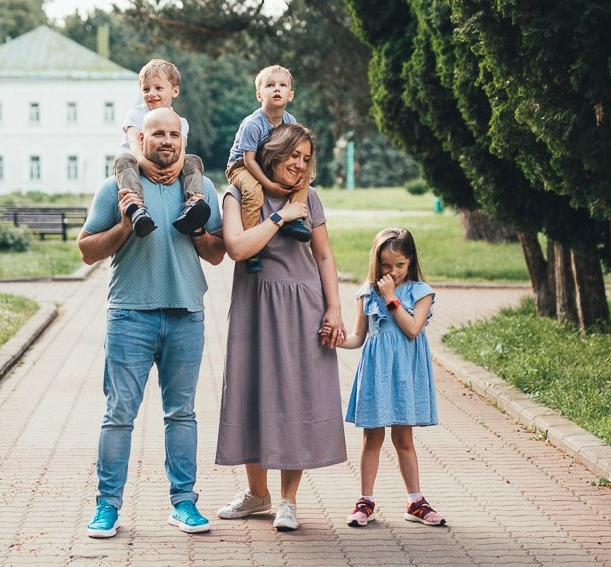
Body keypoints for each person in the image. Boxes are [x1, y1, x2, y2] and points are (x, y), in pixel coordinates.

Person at [79, 107, 225, 538]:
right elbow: (87, 250)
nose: (166, 141)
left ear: (182, 140)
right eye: (157, 133)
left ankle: (184, 504)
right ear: (140, 141)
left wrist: (198, 232)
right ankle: (107, 507)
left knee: (182, 413)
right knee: (118, 413)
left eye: (173, 134)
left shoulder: (202, 189)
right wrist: (124, 227)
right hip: (129, 315)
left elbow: (217, 254)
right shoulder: (117, 189)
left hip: (185, 315)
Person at [215, 123, 347, 531]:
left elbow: (324, 256)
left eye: (306, 158)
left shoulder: (310, 198)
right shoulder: (238, 194)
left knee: (296, 397)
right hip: (256, 305)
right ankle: (258, 494)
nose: (300, 164)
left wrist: (335, 309)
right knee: (252, 393)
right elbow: (237, 247)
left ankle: (288, 500)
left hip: (302, 306)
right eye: (294, 155)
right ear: (273, 153)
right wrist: (281, 218)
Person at [324, 228, 446, 528]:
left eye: (399, 265)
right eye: (385, 266)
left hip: (405, 372)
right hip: (376, 372)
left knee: (403, 438)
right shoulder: (366, 293)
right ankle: (365, 501)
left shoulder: (420, 292)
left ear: (410, 260)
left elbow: (413, 328)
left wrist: (391, 298)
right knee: (372, 438)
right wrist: (335, 339)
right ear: (376, 262)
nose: (392, 272)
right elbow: (357, 337)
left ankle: (414, 500)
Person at [225, 65, 311, 274]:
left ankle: (295, 219)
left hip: (270, 163)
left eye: (282, 86)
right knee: (253, 193)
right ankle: (252, 248)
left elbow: (294, 150)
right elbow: (249, 160)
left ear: (290, 95)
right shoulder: (254, 124)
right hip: (241, 166)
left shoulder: (289, 121)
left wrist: (293, 175)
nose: (277, 89)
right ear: (259, 95)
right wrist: (269, 184)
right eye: (270, 85)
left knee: (304, 178)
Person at [113, 58, 210, 238]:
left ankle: (192, 204)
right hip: (136, 164)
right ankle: (137, 210)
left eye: (158, 88)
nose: (151, 93)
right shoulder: (137, 114)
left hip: (167, 164)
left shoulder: (180, 122)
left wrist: (176, 169)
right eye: (146, 89)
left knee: (193, 161)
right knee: (122, 159)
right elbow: (134, 143)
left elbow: (181, 152)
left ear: (175, 91)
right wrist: (144, 163)